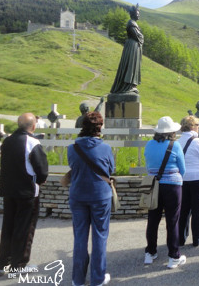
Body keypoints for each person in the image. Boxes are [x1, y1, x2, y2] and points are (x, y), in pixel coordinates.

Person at [67, 112, 115, 286]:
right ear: (99, 127)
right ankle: (98, 278)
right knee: (100, 236)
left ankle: (77, 279)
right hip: (100, 195)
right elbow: (111, 169)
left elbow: (72, 166)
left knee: (80, 237)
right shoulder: (105, 148)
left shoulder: (72, 148)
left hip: (78, 194)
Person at [0, 113, 48, 276]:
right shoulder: (32, 142)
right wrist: (41, 180)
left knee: (8, 226)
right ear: (33, 126)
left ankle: (2, 263)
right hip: (27, 191)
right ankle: (18, 264)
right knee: (25, 227)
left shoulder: (7, 141)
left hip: (9, 190)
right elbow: (41, 169)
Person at [143, 116, 187, 269]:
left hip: (154, 185)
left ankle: (150, 252)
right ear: (172, 132)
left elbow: (148, 166)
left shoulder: (149, 144)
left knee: (153, 219)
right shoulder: (175, 146)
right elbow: (183, 169)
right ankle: (173, 256)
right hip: (173, 186)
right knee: (172, 221)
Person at [177, 115, 199, 247]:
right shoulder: (198, 141)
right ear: (193, 126)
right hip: (197, 178)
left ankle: (180, 238)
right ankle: (198, 238)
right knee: (197, 210)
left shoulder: (178, 141)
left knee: (183, 210)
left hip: (182, 179)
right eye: (198, 126)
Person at [110, 4, 144, 94]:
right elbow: (138, 36)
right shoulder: (131, 23)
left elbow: (139, 37)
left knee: (134, 66)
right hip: (132, 47)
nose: (139, 15)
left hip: (135, 47)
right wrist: (141, 37)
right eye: (137, 13)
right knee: (130, 64)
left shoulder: (134, 24)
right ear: (133, 14)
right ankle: (127, 86)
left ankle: (131, 85)